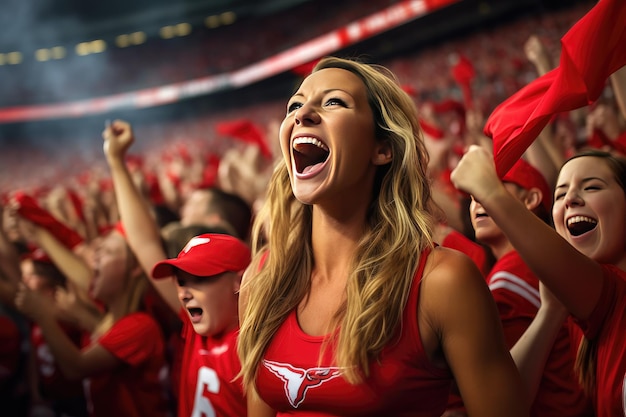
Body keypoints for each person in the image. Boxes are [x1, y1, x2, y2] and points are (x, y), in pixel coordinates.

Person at [236, 56, 527, 416]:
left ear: (383, 148)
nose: (302, 114)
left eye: (334, 102)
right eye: (294, 105)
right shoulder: (263, 279)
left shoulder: (442, 282)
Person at [451, 146, 626, 417]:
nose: (570, 200)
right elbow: (504, 407)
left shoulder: (614, 291)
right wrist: (550, 311)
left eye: (591, 187)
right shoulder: (576, 315)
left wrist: (490, 190)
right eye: (560, 194)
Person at [102, 119, 250, 417]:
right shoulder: (197, 328)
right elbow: (144, 243)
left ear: (238, 281)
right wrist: (117, 162)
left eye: (198, 278)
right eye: (180, 281)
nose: (183, 293)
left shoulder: (254, 345)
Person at [14, 224, 172, 417]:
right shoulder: (108, 318)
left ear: (135, 267)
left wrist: (42, 316)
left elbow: (76, 367)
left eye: (106, 252)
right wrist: (40, 233)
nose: (95, 255)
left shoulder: (139, 326)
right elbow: (80, 277)